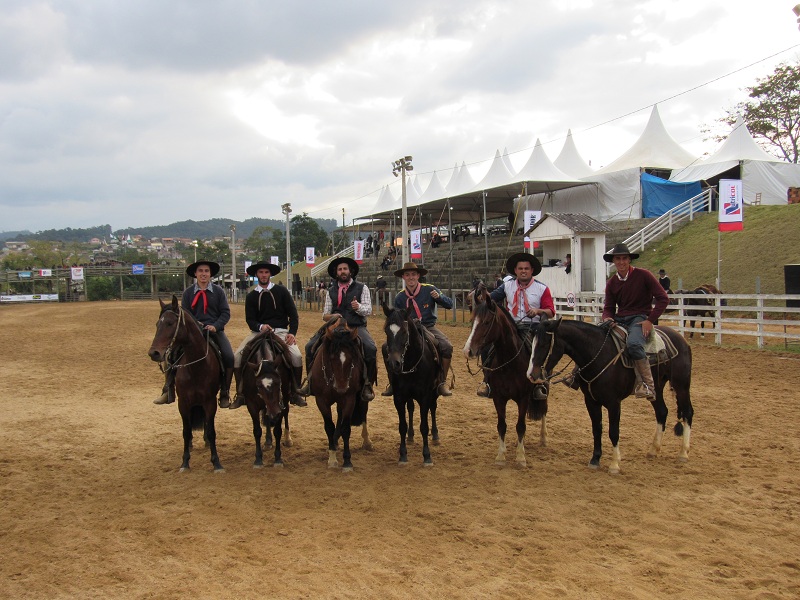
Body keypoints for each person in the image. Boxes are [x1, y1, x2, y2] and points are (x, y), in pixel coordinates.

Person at [154, 260, 234, 407]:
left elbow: (225, 313)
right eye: (200, 271)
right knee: (170, 355)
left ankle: (224, 391)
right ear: (195, 274)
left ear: (210, 274)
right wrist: (197, 325)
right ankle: (168, 389)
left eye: (206, 271)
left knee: (229, 356)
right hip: (192, 332)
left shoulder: (218, 292)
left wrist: (215, 326)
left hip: (214, 331)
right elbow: (184, 314)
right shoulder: (188, 293)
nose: (203, 274)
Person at [477, 252, 555, 399]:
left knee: (536, 351)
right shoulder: (507, 286)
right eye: (520, 268)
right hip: (510, 326)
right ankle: (488, 381)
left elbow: (550, 311)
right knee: (487, 348)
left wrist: (538, 311)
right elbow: (490, 300)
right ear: (515, 270)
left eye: (526, 268)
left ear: (532, 270)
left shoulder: (542, 288)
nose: (523, 271)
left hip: (532, 326)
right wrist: (483, 292)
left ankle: (539, 383)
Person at [298, 257, 377, 402]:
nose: (343, 271)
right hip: (335, 327)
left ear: (350, 271)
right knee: (310, 346)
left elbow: (368, 310)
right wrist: (332, 316)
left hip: (355, 326)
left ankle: (367, 384)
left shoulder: (362, 287)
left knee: (370, 348)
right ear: (336, 273)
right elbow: (325, 315)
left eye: (345, 269)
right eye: (340, 269)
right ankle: (310, 382)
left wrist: (358, 307)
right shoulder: (331, 291)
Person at [229, 261, 306, 409]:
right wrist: (260, 326)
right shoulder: (251, 296)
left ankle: (295, 392)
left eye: (266, 272)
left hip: (280, 331)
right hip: (258, 332)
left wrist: (292, 333)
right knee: (237, 357)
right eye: (261, 272)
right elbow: (250, 320)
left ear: (270, 274)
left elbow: (293, 315)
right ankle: (240, 394)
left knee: (296, 356)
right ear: (256, 275)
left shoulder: (282, 291)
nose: (264, 275)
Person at [602, 243, 669, 400]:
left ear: (629, 260)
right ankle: (576, 376)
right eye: (618, 259)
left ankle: (648, 385)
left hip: (639, 318)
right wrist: (607, 318)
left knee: (633, 344)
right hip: (619, 319)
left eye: (624, 258)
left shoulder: (644, 275)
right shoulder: (611, 283)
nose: (621, 262)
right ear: (613, 261)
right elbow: (609, 307)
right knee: (594, 335)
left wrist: (650, 320)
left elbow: (663, 298)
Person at [382, 262, 454, 397]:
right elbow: (397, 318)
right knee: (386, 347)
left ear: (418, 276)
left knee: (446, 346)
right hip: (408, 329)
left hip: (428, 326)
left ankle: (442, 381)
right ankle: (392, 382)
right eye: (407, 275)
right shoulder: (400, 297)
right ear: (403, 277)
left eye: (413, 274)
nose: (411, 277)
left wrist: (439, 297)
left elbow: (449, 304)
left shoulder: (429, 289)